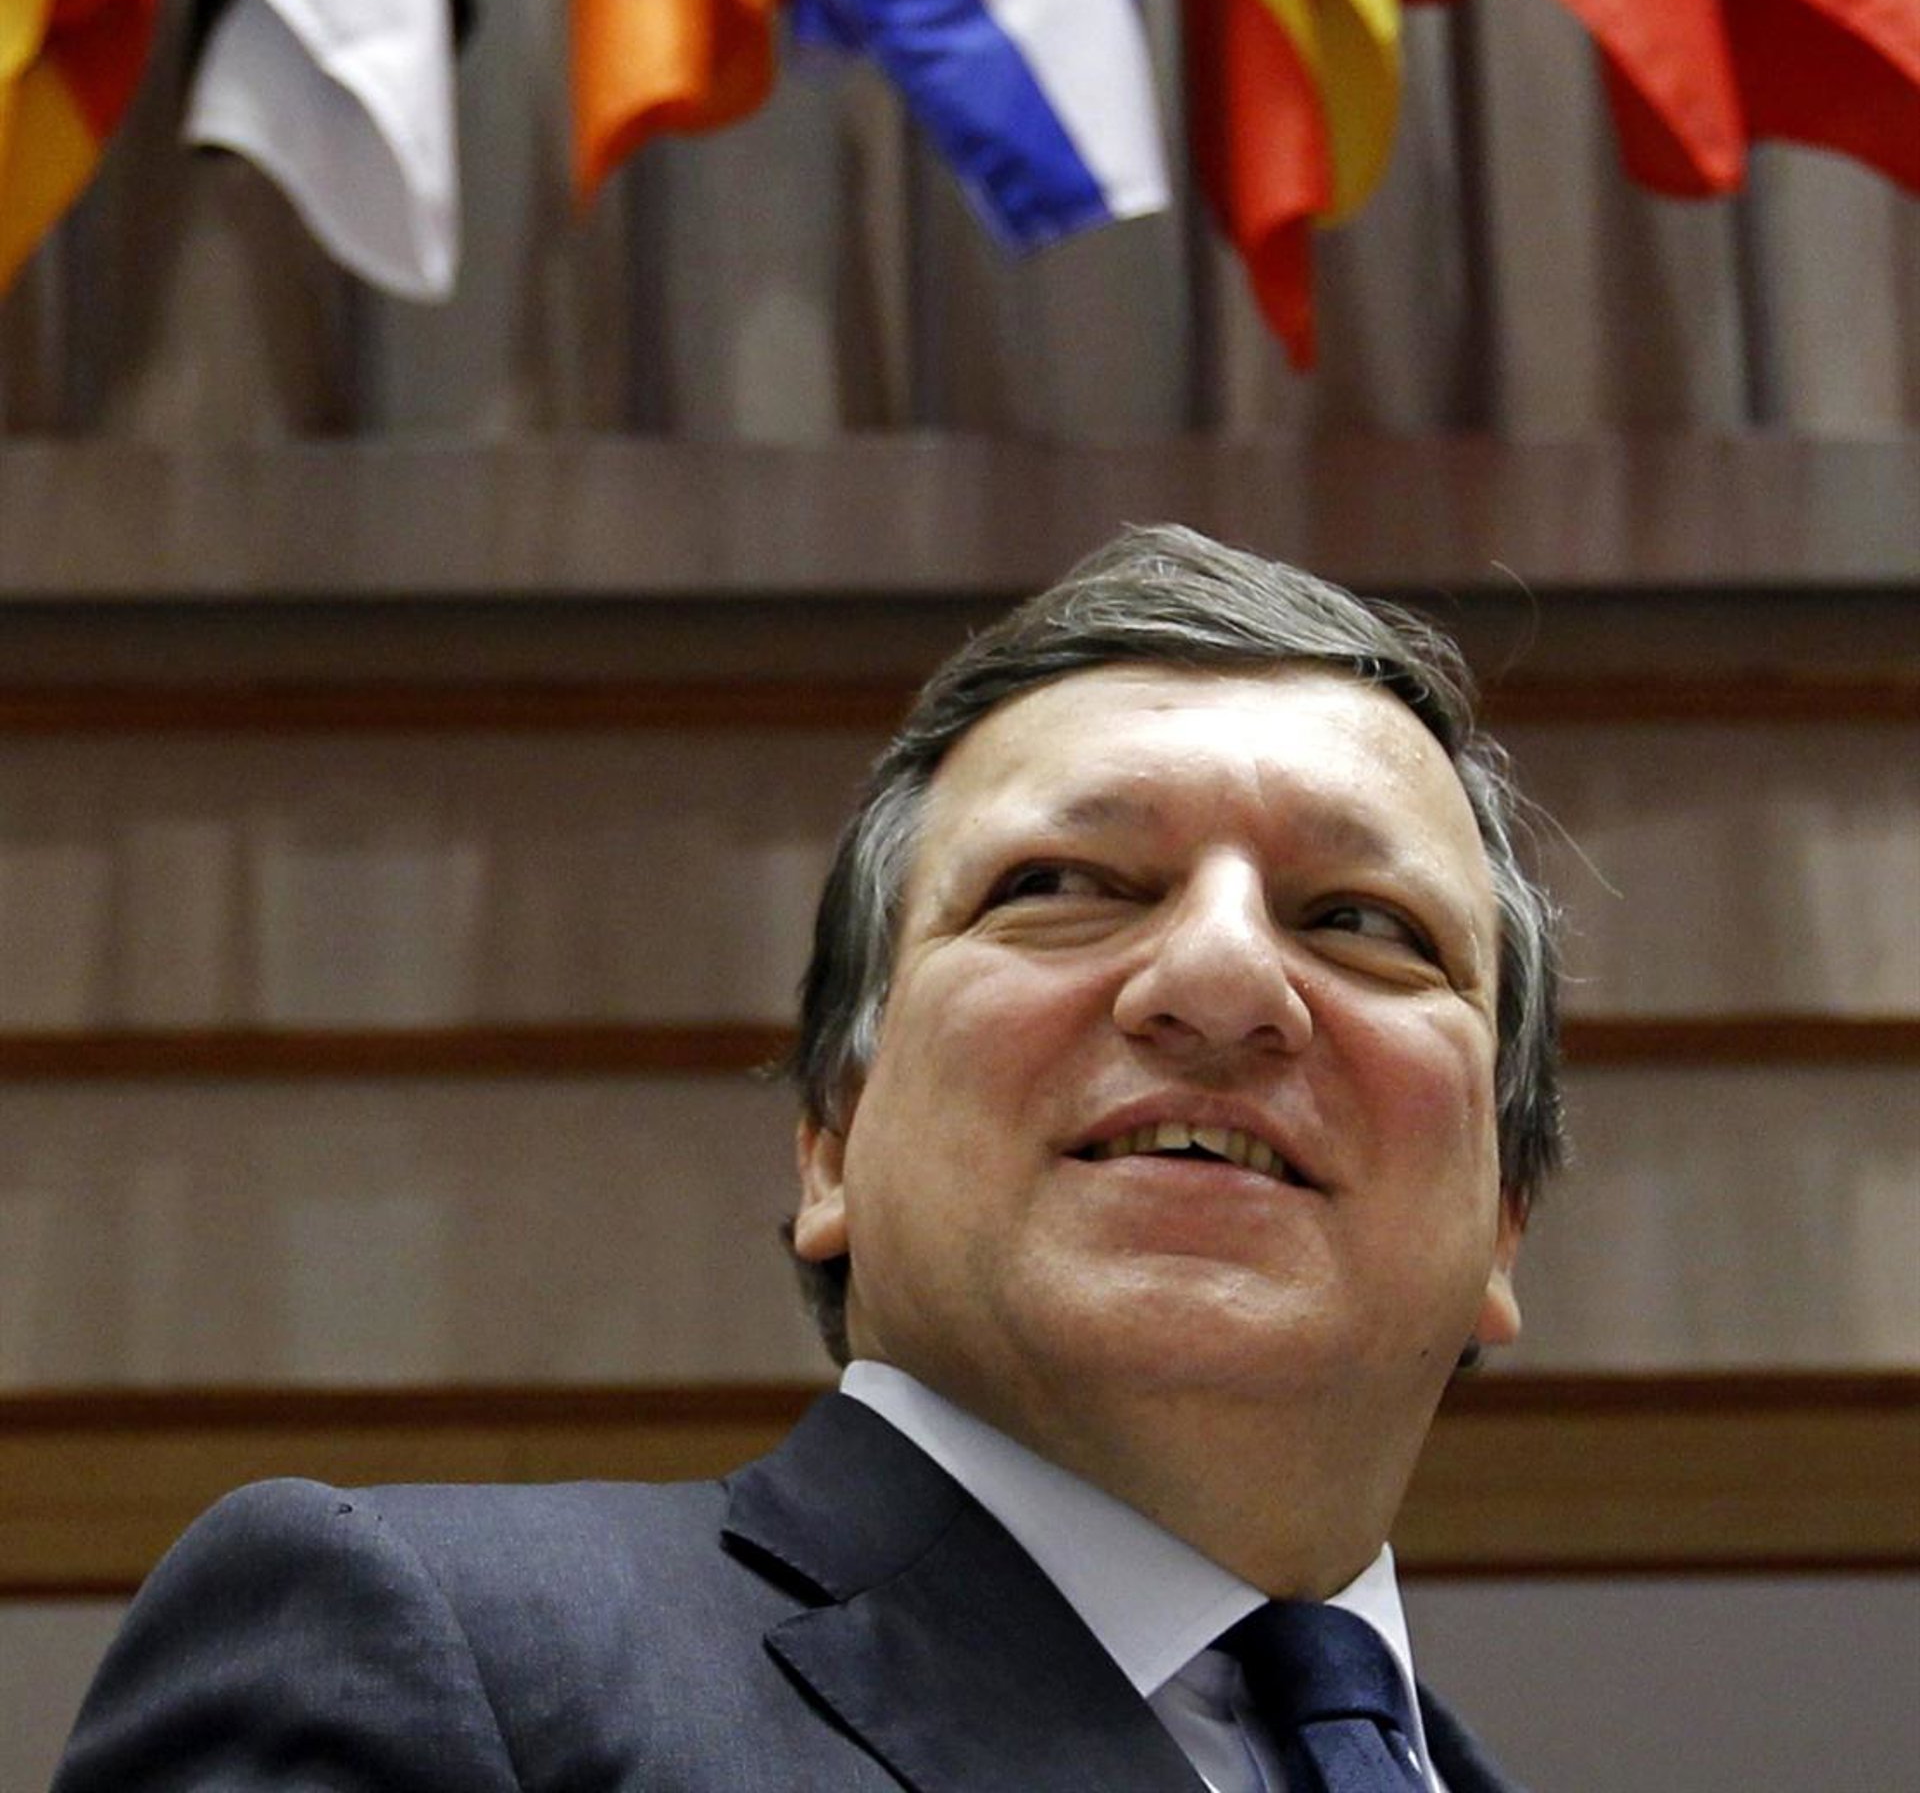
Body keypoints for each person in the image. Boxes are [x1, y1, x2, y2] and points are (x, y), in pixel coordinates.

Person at [52, 524, 1564, 1791]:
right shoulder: (426, 1659)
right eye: (1062, 885)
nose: (1222, 977)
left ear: (1502, 1219)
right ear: (832, 1142)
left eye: (1363, 922)